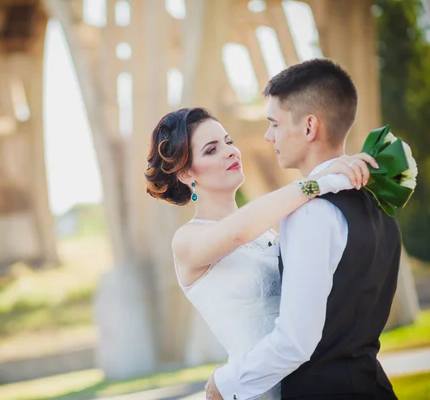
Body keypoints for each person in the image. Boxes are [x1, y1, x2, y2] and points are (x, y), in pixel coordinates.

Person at [146, 59, 398, 400]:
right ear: (188, 175)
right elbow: (237, 233)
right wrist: (318, 182)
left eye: (228, 140)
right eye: (211, 149)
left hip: (303, 385)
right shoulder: (187, 241)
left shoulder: (268, 233)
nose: (230, 152)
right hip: (251, 390)